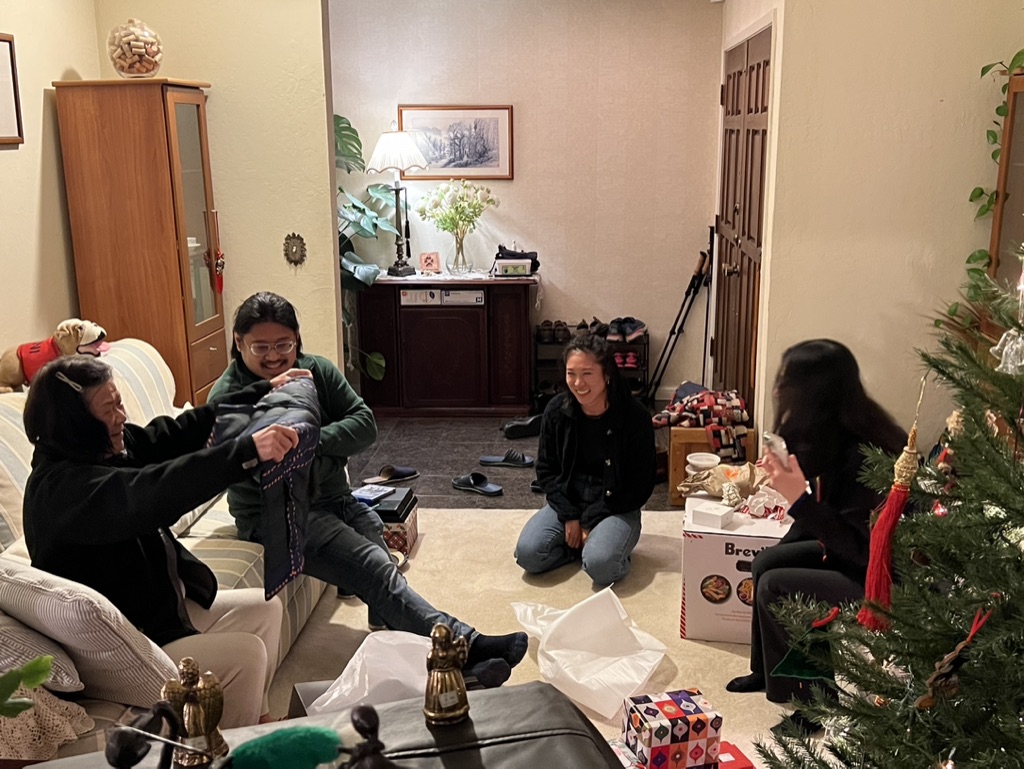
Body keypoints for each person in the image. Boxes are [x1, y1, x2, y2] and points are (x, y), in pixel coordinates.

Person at [209, 292, 527, 681]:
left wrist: (313, 442)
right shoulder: (228, 398)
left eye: (284, 345)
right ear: (239, 342)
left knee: (376, 539)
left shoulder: (316, 372)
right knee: (371, 565)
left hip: (335, 497)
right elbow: (259, 471)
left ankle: (397, 628)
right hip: (276, 516)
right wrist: (310, 448)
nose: (274, 356)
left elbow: (364, 424)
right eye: (261, 347)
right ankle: (464, 646)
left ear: (297, 338)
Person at [22, 355, 306, 727]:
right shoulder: (63, 492)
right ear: (76, 424)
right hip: (116, 651)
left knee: (265, 608)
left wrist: (261, 393)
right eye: (109, 409)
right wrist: (246, 451)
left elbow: (172, 434)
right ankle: (232, 747)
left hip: (151, 617)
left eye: (119, 402)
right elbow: (154, 492)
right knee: (246, 654)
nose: (122, 415)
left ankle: (255, 720)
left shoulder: (99, 451)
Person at [724, 339, 907, 733]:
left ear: (816, 390)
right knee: (766, 563)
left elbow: (863, 551)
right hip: (849, 550)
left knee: (778, 586)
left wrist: (798, 500)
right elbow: (821, 505)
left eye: (788, 381)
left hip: (883, 578)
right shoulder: (832, 428)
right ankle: (767, 671)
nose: (778, 388)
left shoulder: (868, 452)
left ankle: (814, 706)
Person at [515, 333, 656, 586]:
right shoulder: (556, 410)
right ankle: (582, 549)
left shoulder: (635, 416)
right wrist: (570, 515)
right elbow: (546, 471)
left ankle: (602, 550)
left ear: (607, 374)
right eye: (571, 374)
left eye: (587, 374)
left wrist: (589, 521)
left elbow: (641, 485)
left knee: (602, 567)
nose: (578, 383)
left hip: (617, 503)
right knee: (528, 555)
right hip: (570, 496)